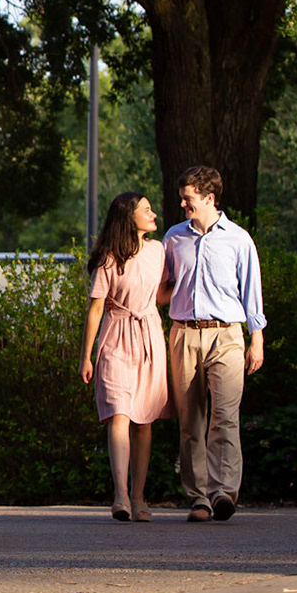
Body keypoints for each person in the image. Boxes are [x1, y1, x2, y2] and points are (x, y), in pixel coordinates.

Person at [161, 164, 266, 523]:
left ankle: (223, 493)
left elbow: (251, 291)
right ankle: (199, 498)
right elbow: (162, 286)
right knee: (190, 420)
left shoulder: (238, 239)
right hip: (184, 333)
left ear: (209, 197)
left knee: (225, 415)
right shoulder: (174, 238)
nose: (182, 204)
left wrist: (257, 338)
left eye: (188, 198)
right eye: (181, 198)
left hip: (227, 334)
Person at [79, 191, 171, 521]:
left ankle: (139, 497)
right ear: (128, 217)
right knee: (119, 413)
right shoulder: (109, 258)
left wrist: (192, 281)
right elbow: (95, 309)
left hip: (148, 336)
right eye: (146, 210)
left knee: (144, 420)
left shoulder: (158, 251)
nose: (153, 214)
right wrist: (86, 356)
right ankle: (120, 495)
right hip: (116, 336)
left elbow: (160, 296)